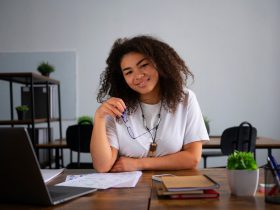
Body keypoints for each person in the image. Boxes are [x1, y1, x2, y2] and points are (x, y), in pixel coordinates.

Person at [90, 35, 209, 172]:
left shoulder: (185, 99)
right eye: (128, 72)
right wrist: (99, 117)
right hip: (128, 191)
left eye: (144, 65)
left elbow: (192, 158)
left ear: (160, 63)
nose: (138, 76)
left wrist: (139, 164)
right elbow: (102, 166)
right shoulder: (117, 107)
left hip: (173, 186)